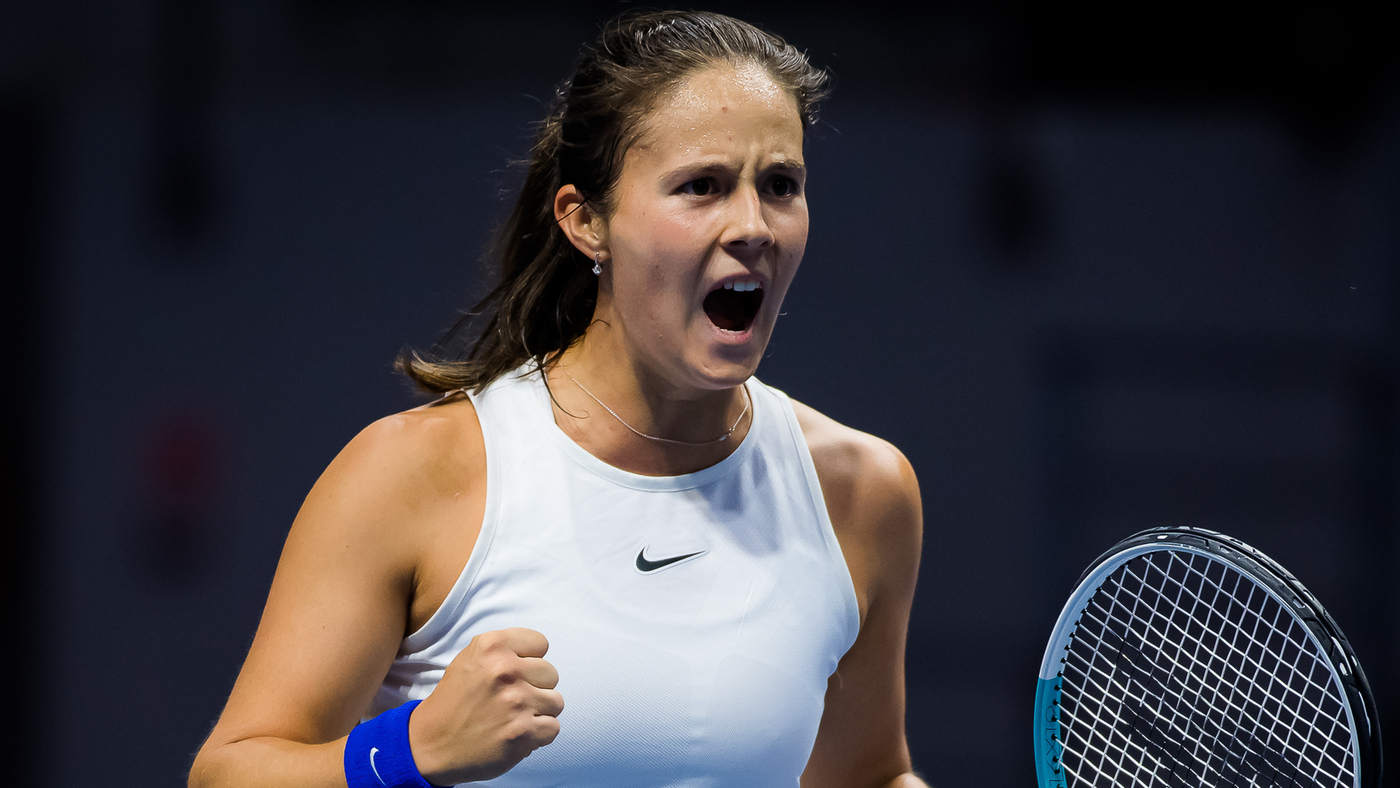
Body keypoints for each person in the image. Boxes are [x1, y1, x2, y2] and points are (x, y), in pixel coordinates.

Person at [189, 10, 926, 788]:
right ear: (586, 222)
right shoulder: (411, 475)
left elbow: (868, 775)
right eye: (701, 186)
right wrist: (410, 750)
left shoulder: (861, 493)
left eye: (780, 186)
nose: (754, 226)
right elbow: (227, 775)